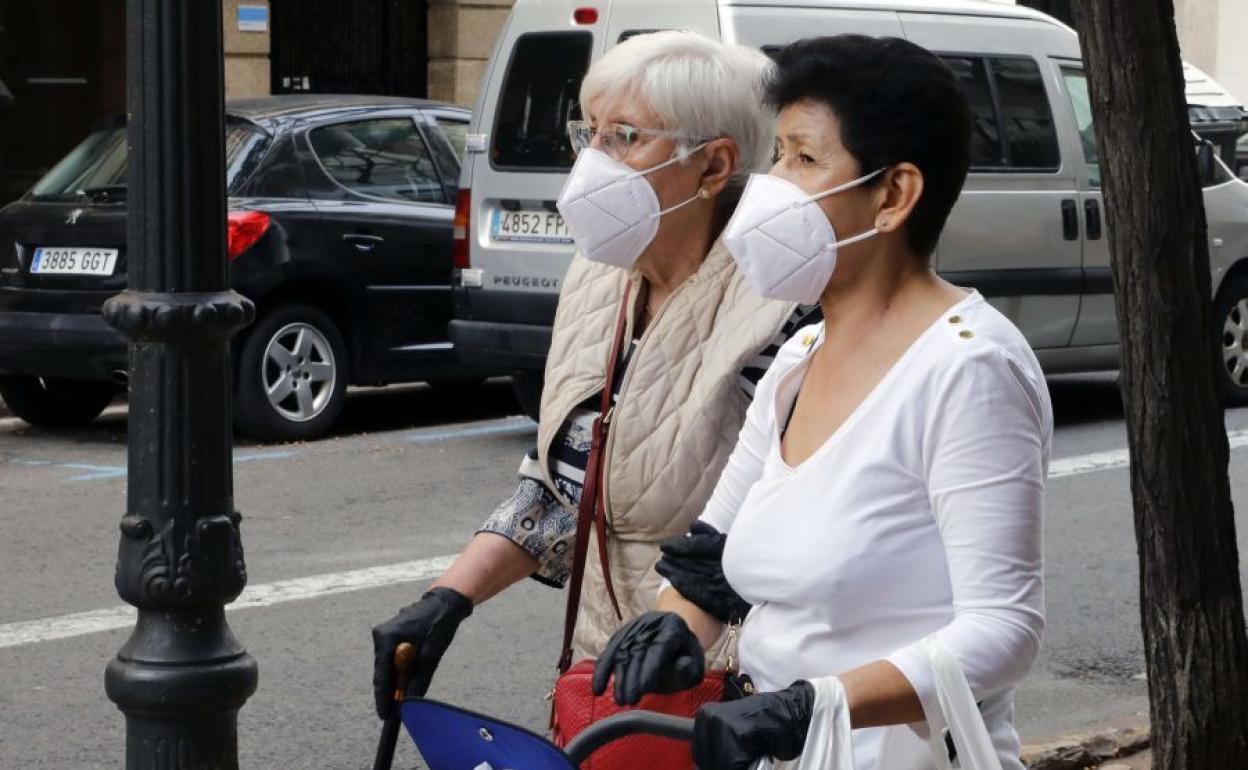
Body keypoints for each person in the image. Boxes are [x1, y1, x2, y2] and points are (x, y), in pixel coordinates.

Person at [594, 35, 1052, 770]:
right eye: (775, 154)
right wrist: (676, 626)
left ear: (894, 194)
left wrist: (818, 703)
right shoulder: (800, 359)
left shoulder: (969, 367)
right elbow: (714, 553)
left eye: (804, 159)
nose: (773, 183)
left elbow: (1005, 631)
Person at [371, 31, 821, 717]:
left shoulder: (781, 309)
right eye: (590, 133)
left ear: (712, 165)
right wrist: (447, 599)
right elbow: (562, 480)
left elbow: (788, 523)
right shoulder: (598, 279)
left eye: (625, 137)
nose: (591, 161)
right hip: (603, 667)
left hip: (730, 688)